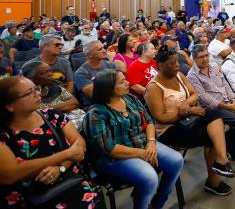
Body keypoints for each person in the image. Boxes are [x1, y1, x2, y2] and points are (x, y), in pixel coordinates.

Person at [84, 70, 184, 209]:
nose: (128, 83)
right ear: (108, 89)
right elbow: (109, 149)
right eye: (122, 82)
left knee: (176, 161)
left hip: (142, 144)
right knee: (149, 177)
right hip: (115, 158)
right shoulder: (96, 114)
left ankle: (157, 204)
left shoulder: (130, 99)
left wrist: (151, 143)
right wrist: (142, 153)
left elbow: (149, 121)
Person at [0, 76, 104, 208]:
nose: (38, 93)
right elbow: (11, 174)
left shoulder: (51, 115)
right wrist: (66, 154)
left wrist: (60, 169)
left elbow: (79, 147)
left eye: (36, 89)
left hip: (69, 181)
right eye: (29, 92)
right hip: (30, 197)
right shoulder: (4, 133)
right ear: (9, 105)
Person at [145, 46, 235, 196]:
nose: (177, 65)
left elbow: (195, 94)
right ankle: (215, 178)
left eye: (177, 62)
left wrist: (186, 104)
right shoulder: (154, 87)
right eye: (172, 63)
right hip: (170, 130)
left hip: (187, 120)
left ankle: (222, 160)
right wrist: (188, 110)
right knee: (213, 134)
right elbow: (161, 117)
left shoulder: (179, 76)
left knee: (214, 114)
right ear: (160, 65)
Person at [187, 44, 235, 161]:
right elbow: (203, 97)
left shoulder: (213, 66)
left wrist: (232, 100)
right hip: (211, 109)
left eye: (206, 55)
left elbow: (225, 83)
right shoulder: (192, 76)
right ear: (194, 59)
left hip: (227, 101)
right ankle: (234, 149)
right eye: (201, 57)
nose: (205, 59)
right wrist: (227, 107)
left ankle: (227, 143)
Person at [73, 40, 118, 110]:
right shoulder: (81, 73)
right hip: (95, 107)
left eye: (103, 47)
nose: (104, 50)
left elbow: (120, 84)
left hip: (114, 101)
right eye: (100, 49)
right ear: (89, 55)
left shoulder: (111, 65)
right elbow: (97, 95)